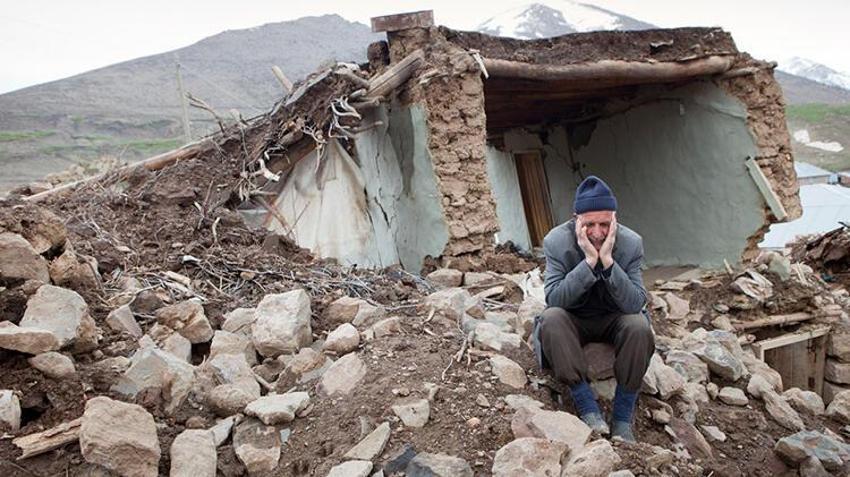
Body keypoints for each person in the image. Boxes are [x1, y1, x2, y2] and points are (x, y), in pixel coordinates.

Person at [531, 175, 654, 442]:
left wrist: (608, 262)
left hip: (615, 318)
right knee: (551, 319)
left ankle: (622, 419)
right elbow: (555, 299)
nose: (597, 233)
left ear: (615, 220)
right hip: (575, 318)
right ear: (576, 219)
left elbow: (635, 303)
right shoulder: (556, 242)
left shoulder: (631, 243)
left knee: (639, 326)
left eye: (605, 224)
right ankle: (588, 408)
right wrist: (588, 262)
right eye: (589, 225)